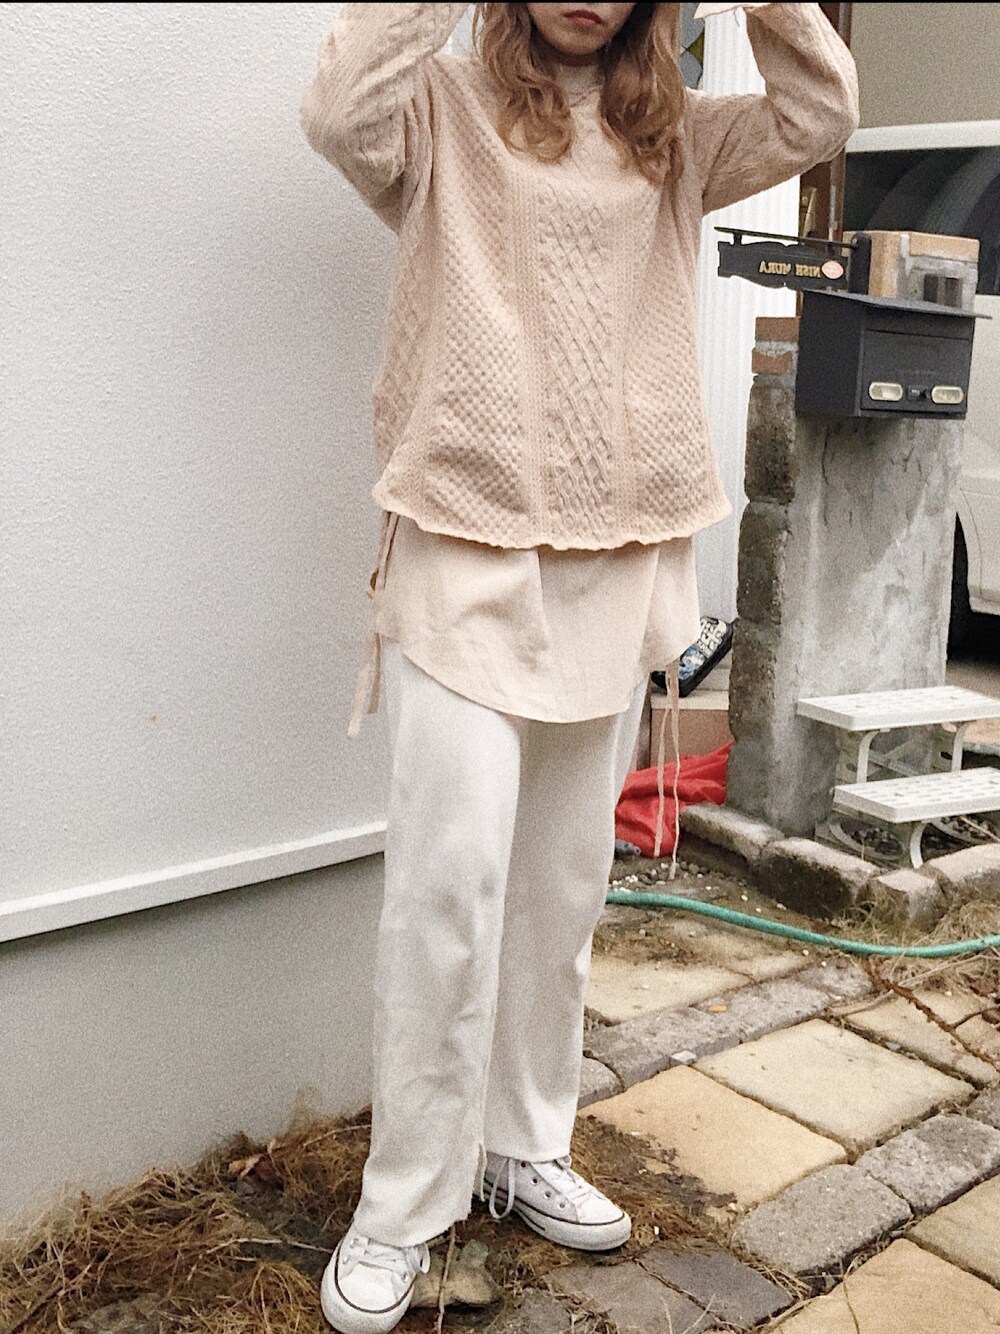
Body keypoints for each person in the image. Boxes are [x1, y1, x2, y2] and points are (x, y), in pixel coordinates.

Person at [299, 3, 858, 1330]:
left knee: (561, 883)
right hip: (466, 539)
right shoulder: (439, 110)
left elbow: (820, 114)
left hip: (617, 544)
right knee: (448, 882)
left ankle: (524, 1142)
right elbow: (336, 111)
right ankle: (404, 1204)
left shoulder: (675, 135)